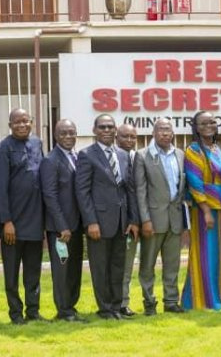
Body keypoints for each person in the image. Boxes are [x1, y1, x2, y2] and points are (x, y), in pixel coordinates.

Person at [75, 114, 139, 320]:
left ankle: (115, 306)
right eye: (102, 127)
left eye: (110, 127)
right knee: (100, 267)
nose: (107, 130)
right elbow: (82, 192)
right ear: (94, 130)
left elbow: (129, 189)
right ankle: (104, 309)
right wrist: (90, 222)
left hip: (121, 222)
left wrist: (133, 220)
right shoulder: (86, 155)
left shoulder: (122, 154)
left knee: (118, 266)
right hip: (99, 223)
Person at [0, 108, 46, 324]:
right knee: (12, 274)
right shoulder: (3, 149)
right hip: (13, 224)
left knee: (33, 272)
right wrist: (6, 221)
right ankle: (15, 314)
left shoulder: (37, 144)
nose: (22, 125)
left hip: (34, 221)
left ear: (32, 122)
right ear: (10, 125)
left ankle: (33, 312)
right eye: (17, 122)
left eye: (26, 121)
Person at [181, 111, 221, 310]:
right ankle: (202, 299)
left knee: (217, 254)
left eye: (212, 122)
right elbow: (194, 182)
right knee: (204, 253)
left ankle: (219, 295)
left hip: (219, 208)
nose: (209, 125)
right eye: (203, 123)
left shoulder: (217, 148)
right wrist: (205, 210)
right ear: (196, 127)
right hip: (204, 210)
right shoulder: (194, 149)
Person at [134, 118, 186, 315]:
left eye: (168, 130)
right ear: (154, 133)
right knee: (147, 265)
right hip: (153, 221)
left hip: (175, 219)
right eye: (161, 130)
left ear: (172, 133)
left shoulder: (180, 154)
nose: (165, 134)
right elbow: (140, 190)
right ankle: (149, 302)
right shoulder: (143, 156)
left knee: (172, 264)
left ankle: (171, 301)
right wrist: (145, 220)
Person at [40, 119, 85, 322]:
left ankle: (71, 306)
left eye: (72, 133)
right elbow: (50, 195)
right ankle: (63, 310)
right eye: (64, 133)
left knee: (75, 268)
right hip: (61, 229)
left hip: (77, 226)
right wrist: (62, 226)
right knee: (62, 269)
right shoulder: (51, 160)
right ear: (56, 136)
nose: (69, 137)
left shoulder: (77, 157)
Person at [116, 123, 139, 317]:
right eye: (125, 136)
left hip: (137, 222)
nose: (129, 140)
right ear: (117, 137)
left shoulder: (138, 158)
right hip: (117, 222)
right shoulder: (112, 158)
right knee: (117, 265)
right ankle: (114, 303)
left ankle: (124, 303)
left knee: (128, 265)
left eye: (133, 137)